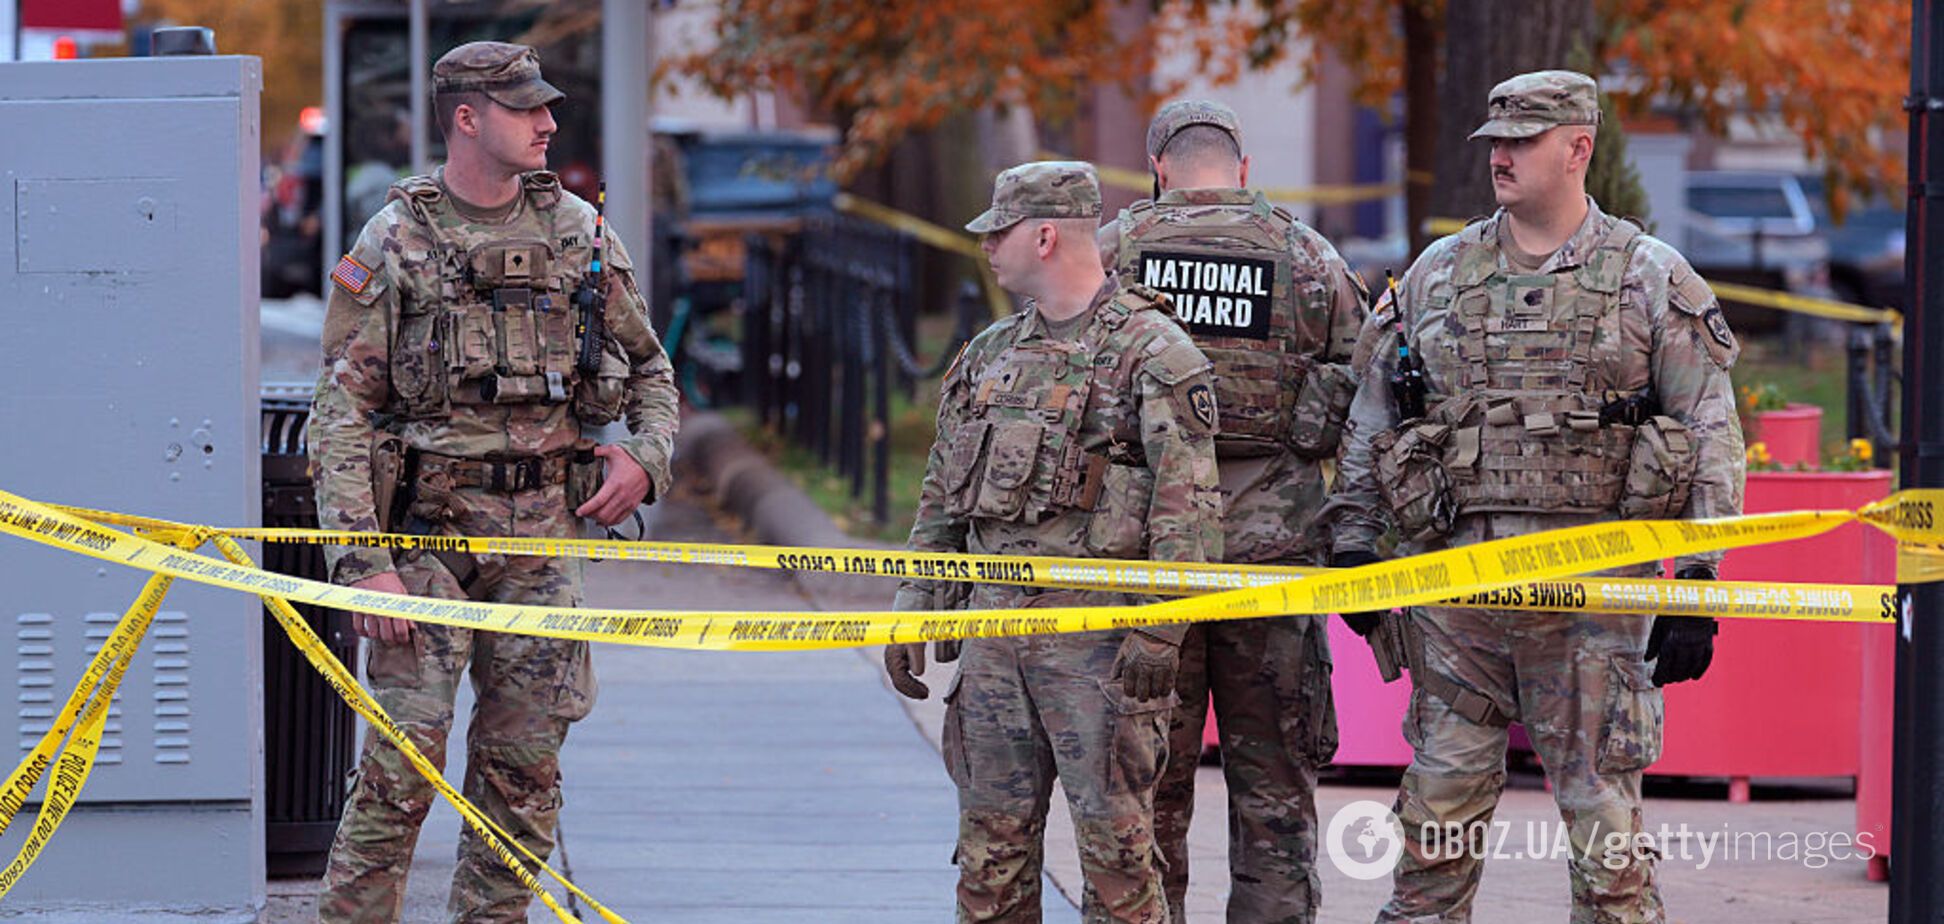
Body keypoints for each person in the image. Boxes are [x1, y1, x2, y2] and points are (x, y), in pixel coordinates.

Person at [1323, 70, 1744, 922]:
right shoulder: (1439, 274)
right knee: (1432, 839)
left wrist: (1699, 577)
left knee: (1607, 846)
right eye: (1495, 143)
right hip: (1458, 601)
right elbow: (1372, 417)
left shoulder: (1647, 278)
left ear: (1578, 148)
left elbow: (1709, 430)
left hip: (1592, 603)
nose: (1501, 157)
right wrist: (1358, 545)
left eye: (1522, 141)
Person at [308, 41, 679, 923]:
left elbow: (654, 370)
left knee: (523, 775)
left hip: (542, 544)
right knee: (400, 770)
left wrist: (646, 458)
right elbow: (341, 413)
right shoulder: (394, 240)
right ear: (467, 119)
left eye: (546, 106)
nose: (549, 122)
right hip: (426, 540)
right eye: (525, 109)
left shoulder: (581, 234)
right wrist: (363, 564)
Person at [884, 161, 1223, 923]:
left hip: (1097, 646)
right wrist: (914, 605)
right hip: (995, 639)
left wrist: (1159, 634)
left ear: (1043, 235)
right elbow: (942, 498)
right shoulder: (989, 355)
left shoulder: (1153, 355)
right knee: (989, 862)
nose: (987, 249)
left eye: (996, 233)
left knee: (1118, 864)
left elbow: (1189, 515)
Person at [1097, 99, 1366, 924]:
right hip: (1274, 563)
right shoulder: (1307, 255)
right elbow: (1364, 397)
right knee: (1275, 798)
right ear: (1243, 170)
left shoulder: (1114, 254)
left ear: (1157, 167)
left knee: (1144, 796)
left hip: (1149, 569)